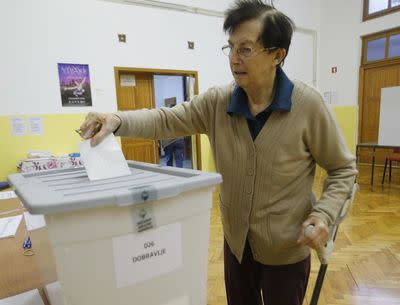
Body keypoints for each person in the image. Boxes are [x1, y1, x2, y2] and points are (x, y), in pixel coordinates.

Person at [79, 1, 357, 304]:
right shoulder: (218, 102)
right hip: (237, 246)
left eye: (246, 49)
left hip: (287, 249)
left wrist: (323, 214)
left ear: (278, 55)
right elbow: (166, 119)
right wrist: (118, 120)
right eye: (231, 48)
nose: (234, 59)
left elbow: (343, 169)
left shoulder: (308, 105)